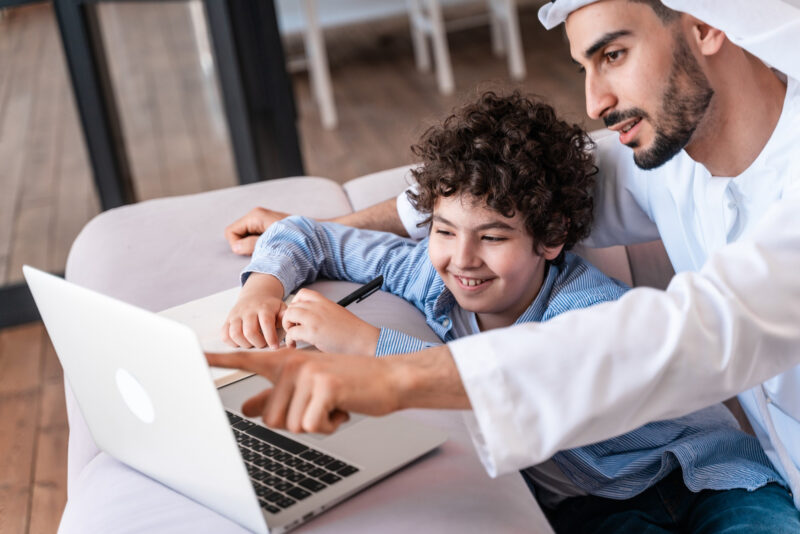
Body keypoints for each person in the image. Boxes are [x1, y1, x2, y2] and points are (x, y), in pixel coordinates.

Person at [214, 0, 800, 514]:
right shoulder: (672, 158)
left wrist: (390, 373)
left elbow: (698, 331)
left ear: (705, 25)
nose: (594, 102)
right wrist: (319, 230)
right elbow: (491, 194)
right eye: (584, 68)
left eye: (614, 55)